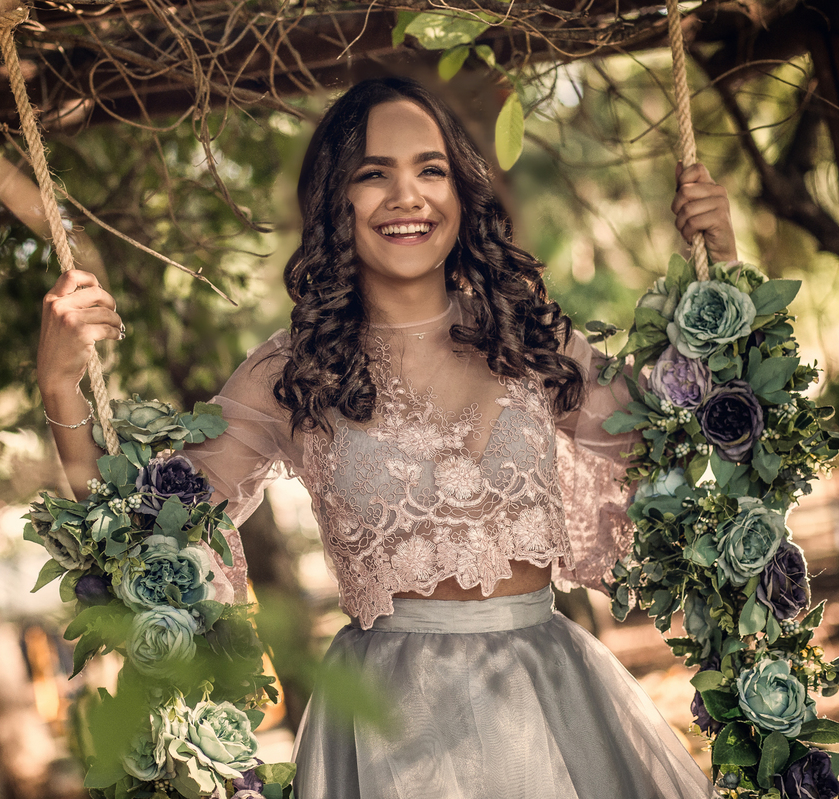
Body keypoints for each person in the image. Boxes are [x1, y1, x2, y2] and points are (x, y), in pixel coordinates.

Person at [37, 77, 734, 799]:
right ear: (336, 200)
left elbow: (678, 431)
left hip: (554, 704)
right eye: (374, 174)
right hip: (390, 738)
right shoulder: (295, 372)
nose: (408, 197)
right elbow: (141, 535)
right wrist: (60, 389)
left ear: (461, 191)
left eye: (431, 170)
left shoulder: (526, 336)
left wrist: (726, 260)